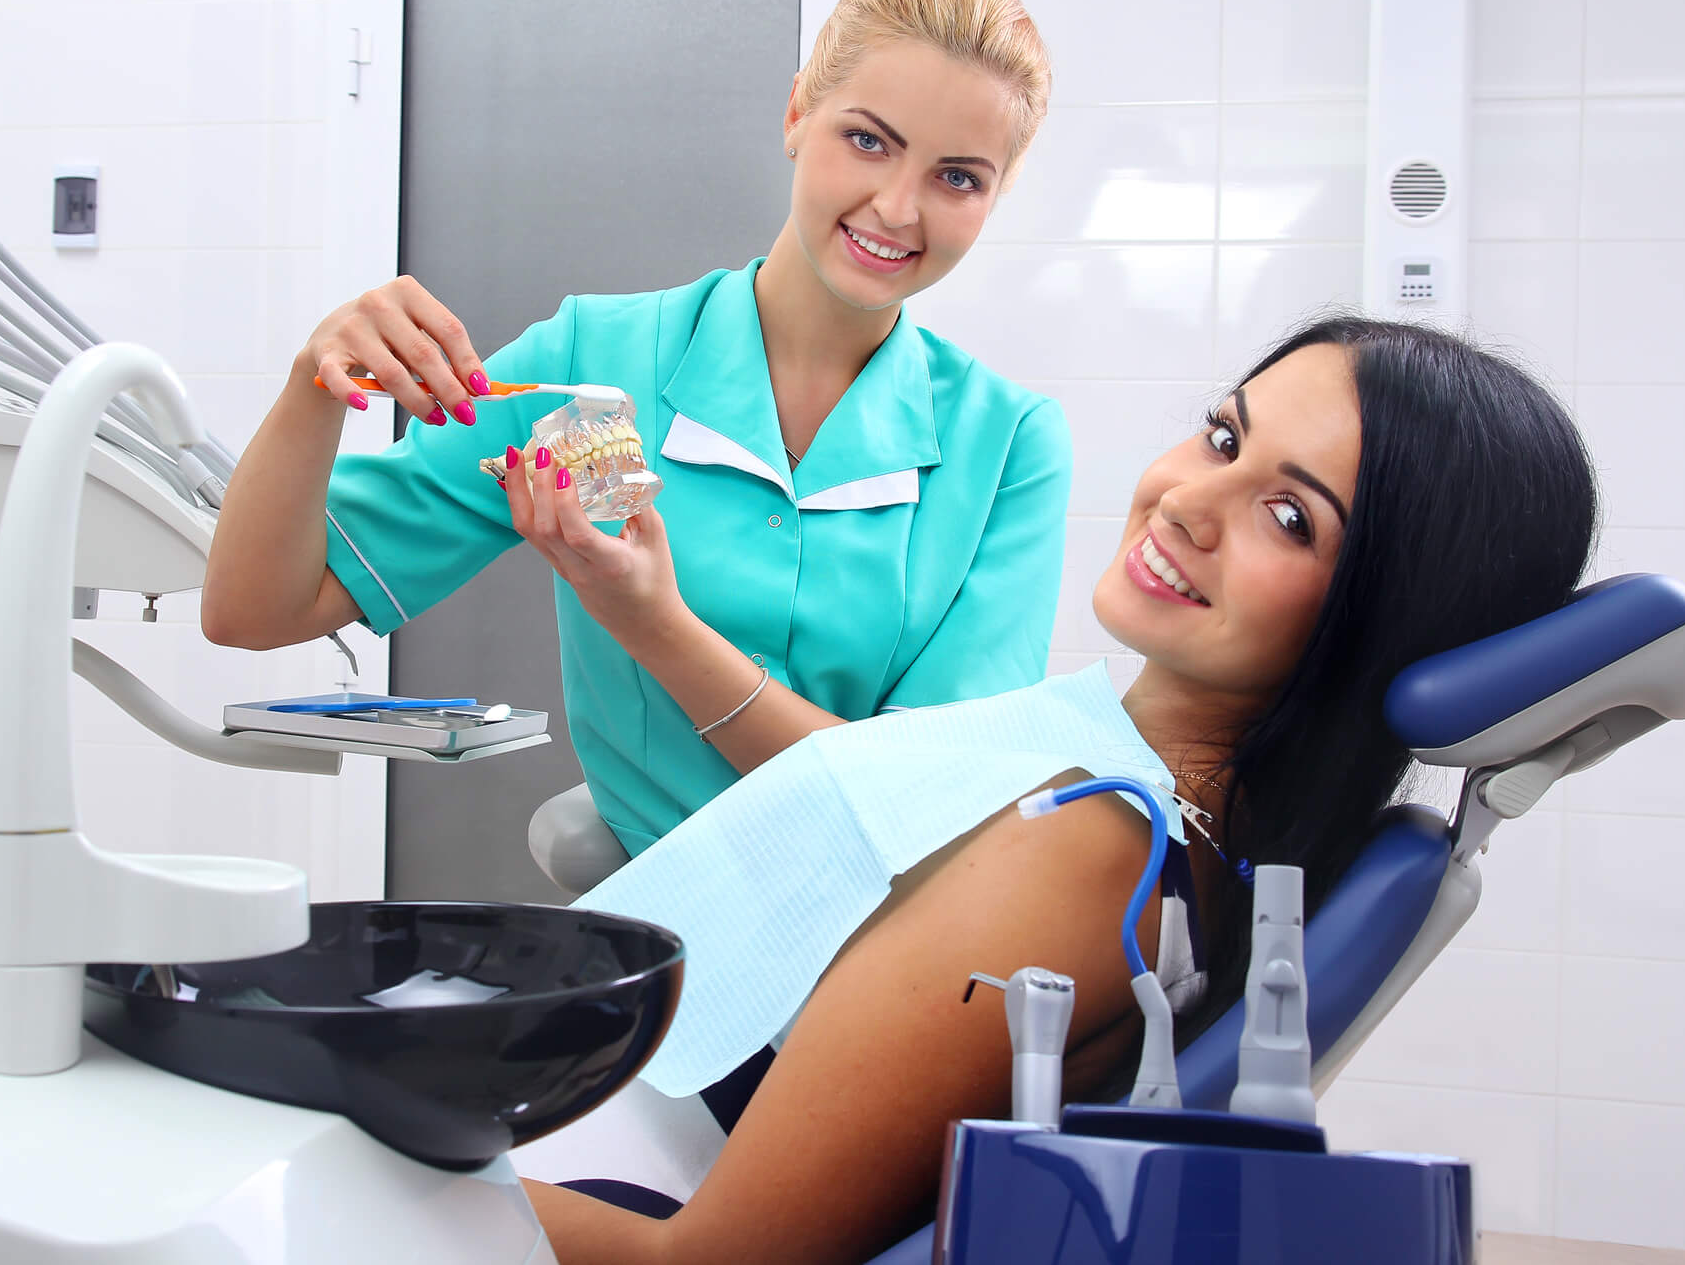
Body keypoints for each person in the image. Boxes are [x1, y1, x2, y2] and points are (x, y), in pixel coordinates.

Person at [518, 317, 1600, 1264]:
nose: (1186, 500)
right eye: (1224, 437)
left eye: (1290, 518)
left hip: (577, 1172)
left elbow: (706, 1261)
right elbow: (871, 793)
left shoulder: (1083, 853)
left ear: (1384, 619)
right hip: (559, 1110)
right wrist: (648, 617)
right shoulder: (1138, 797)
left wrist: (352, 1157)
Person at [199, 0, 1069, 854]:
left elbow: (930, 807)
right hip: (661, 935)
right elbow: (254, 610)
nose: (897, 207)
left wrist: (652, 626)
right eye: (869, 141)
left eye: (958, 177)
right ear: (798, 113)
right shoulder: (589, 366)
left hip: (896, 944)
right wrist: (317, 382)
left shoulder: (1009, 447)